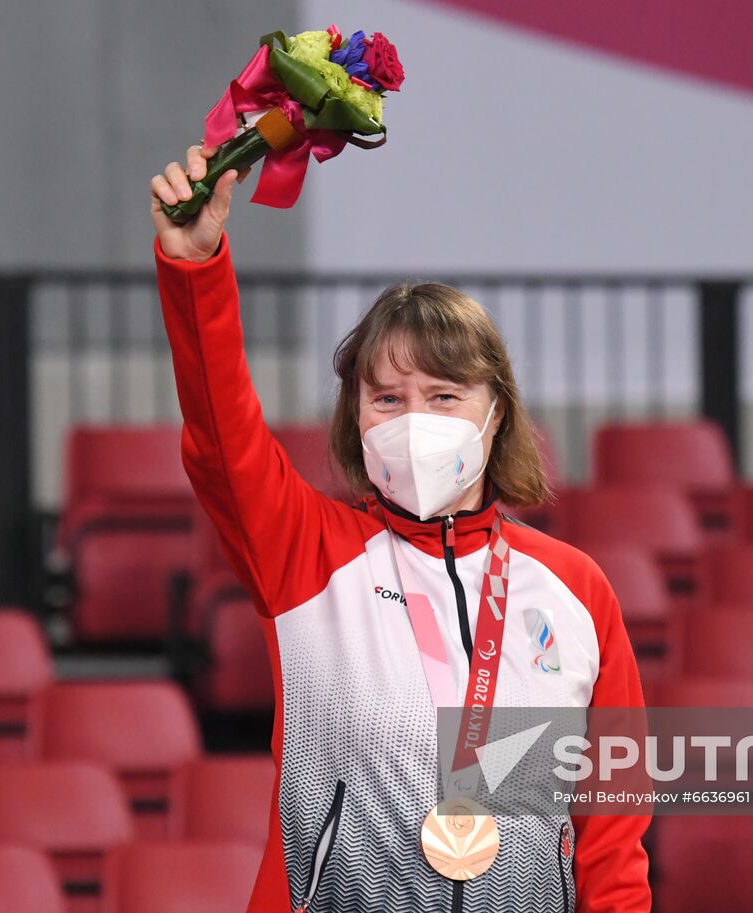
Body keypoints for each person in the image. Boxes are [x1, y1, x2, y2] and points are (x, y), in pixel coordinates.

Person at [151, 144, 651, 913]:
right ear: (356, 418)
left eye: (444, 395)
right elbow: (222, 435)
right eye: (386, 398)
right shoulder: (305, 554)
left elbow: (611, 835)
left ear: (496, 412)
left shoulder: (575, 589)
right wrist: (195, 271)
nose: (414, 419)